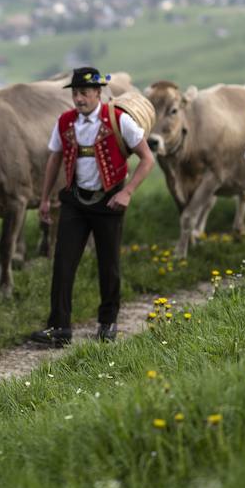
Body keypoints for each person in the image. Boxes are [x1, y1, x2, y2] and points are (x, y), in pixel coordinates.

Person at [28, 67, 155, 347]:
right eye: (75, 93)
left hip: (109, 200)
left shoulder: (119, 120)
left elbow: (147, 158)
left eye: (84, 93)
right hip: (74, 200)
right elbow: (54, 159)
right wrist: (46, 197)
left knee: (108, 263)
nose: (79, 99)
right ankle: (59, 327)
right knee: (63, 263)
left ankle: (107, 322)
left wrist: (128, 192)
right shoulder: (65, 122)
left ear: (98, 93)